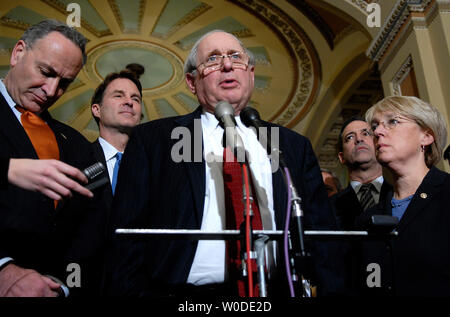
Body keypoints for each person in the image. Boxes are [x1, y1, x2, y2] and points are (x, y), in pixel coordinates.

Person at [104, 30, 342, 297]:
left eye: (236, 57)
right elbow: (126, 235)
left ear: (250, 74)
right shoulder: (155, 140)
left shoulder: (291, 146)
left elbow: (323, 237)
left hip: (275, 292)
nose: (227, 65)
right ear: (192, 82)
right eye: (213, 59)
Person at [0, 19, 102, 297]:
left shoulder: (78, 145)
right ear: (18, 53)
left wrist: (62, 287)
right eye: (45, 72)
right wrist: (3, 270)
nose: (51, 91)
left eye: (64, 83)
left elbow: (89, 229)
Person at [357, 95, 449, 296]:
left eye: (393, 122)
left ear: (426, 136)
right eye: (375, 127)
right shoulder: (368, 219)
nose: (378, 132)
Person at [90, 69, 143, 201]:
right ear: (97, 110)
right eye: (118, 95)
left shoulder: (153, 166)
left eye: (135, 98)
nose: (129, 102)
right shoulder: (78, 158)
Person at [331, 117, 392, 230]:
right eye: (349, 137)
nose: (359, 139)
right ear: (341, 157)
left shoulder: (401, 195)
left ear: (379, 145)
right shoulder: (329, 206)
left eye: (366, 133)